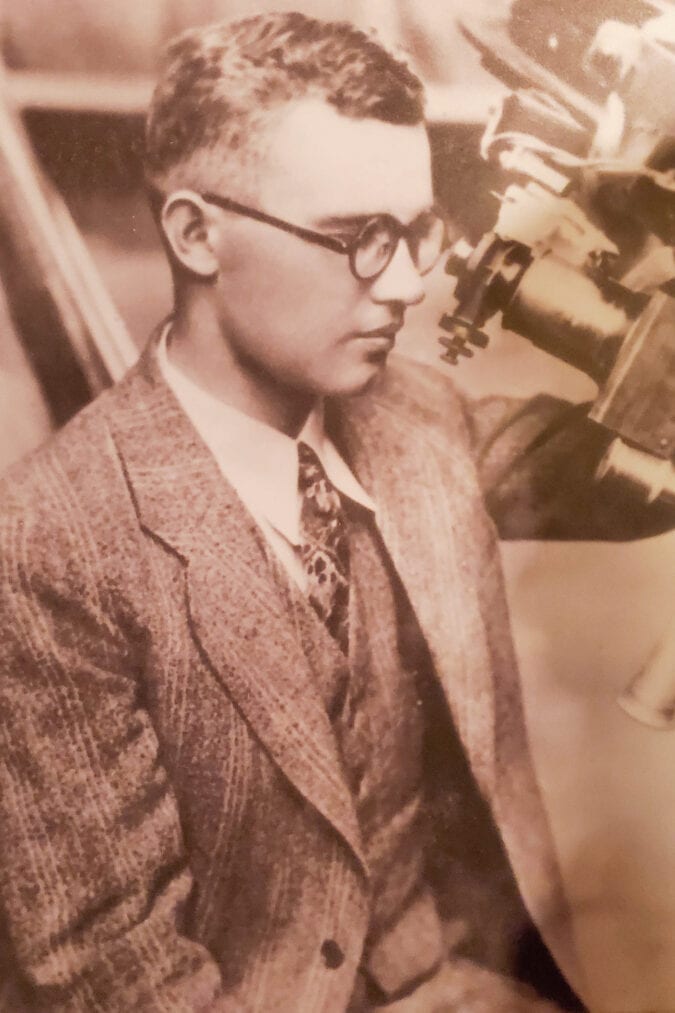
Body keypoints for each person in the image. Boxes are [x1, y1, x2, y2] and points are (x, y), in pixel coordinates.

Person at [0, 11, 671, 1012]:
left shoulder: (418, 416)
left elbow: (640, 474)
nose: (405, 282)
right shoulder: (50, 540)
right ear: (194, 233)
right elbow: (114, 970)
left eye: (417, 231)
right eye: (358, 238)